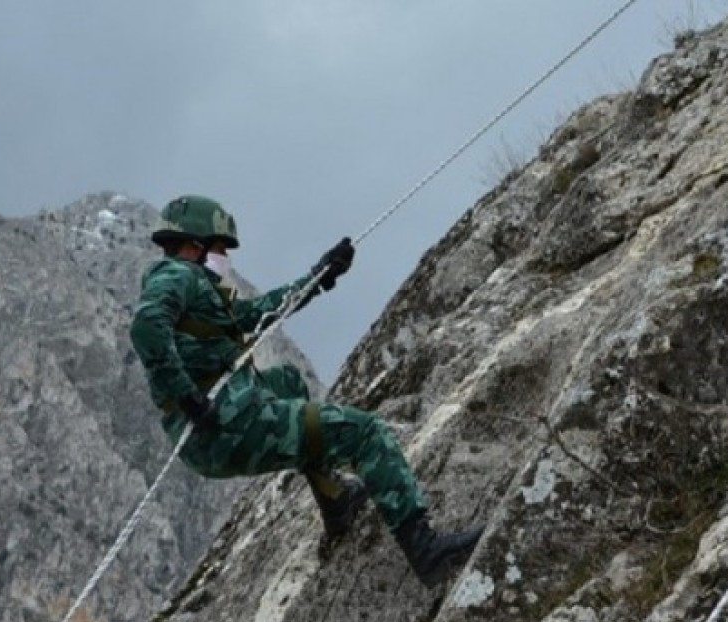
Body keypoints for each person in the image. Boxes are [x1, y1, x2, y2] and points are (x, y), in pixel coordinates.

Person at [128, 194, 483, 585]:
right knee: (364, 431)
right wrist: (186, 394)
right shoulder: (178, 275)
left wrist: (318, 276)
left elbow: (259, 313)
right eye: (219, 247)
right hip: (227, 426)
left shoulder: (197, 290)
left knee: (287, 381)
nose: (224, 257)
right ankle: (427, 551)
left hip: (213, 432)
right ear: (195, 244)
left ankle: (335, 498)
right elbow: (146, 327)